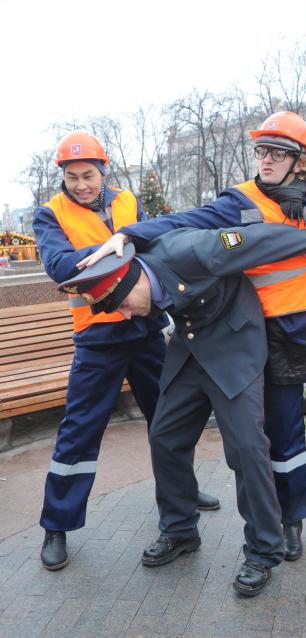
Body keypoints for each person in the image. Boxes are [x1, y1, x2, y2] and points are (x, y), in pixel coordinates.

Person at [83, 111, 306, 564]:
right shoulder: (238, 200)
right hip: (278, 332)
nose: (266, 159)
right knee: (283, 433)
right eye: (261, 150)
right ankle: (292, 519)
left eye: (277, 152)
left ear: (299, 159)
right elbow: (187, 221)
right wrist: (128, 234)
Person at [64, 221, 306, 596]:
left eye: (122, 306)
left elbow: (260, 238)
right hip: (191, 347)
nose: (127, 316)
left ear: (132, 283)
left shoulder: (196, 249)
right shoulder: (142, 267)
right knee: (165, 436)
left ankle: (264, 550)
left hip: (235, 346)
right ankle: (180, 530)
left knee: (247, 449)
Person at [32, 130, 218, 572]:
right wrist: (125, 245)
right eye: (73, 177)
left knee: (169, 421)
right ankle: (57, 525)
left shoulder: (127, 201)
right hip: (98, 338)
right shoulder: (49, 214)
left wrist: (117, 247)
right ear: (62, 176)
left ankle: (182, 496)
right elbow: (60, 266)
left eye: (89, 175)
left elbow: (157, 242)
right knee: (80, 431)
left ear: (103, 171)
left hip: (146, 329)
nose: (81, 185)